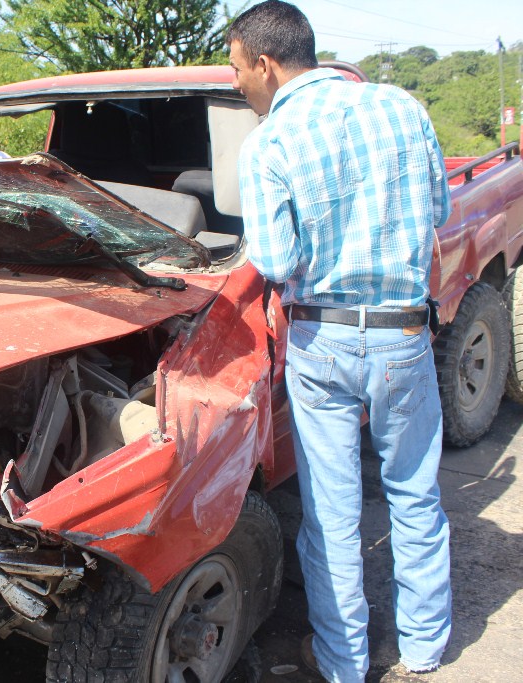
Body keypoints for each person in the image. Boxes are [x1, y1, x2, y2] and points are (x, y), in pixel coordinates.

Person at [228, 2, 452, 682]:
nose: (237, 84)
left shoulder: (268, 143)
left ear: (267, 64)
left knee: (331, 511)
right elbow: (438, 209)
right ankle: (424, 649)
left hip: (322, 341)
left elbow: (272, 258)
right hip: (404, 333)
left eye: (238, 70)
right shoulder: (402, 107)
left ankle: (343, 662)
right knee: (415, 494)